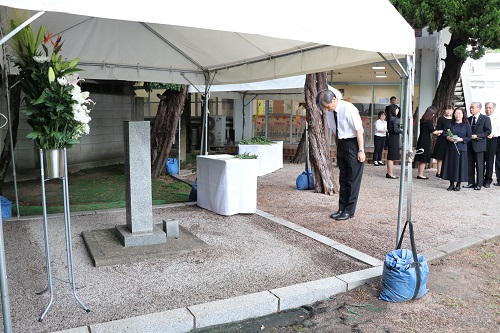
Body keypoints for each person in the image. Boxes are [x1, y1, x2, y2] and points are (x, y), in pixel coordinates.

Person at [316, 89, 365, 221]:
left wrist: (361, 150)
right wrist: (338, 148)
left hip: (353, 143)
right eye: (324, 108)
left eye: (327, 106)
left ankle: (349, 211)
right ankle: (341, 208)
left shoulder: (348, 108)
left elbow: (358, 130)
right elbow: (334, 131)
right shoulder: (329, 112)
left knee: (353, 179)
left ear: (333, 99)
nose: (326, 109)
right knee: (343, 178)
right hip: (341, 143)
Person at [441, 107, 472, 191]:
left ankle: (458, 184)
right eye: (456, 113)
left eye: (459, 113)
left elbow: (469, 137)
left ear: (463, 115)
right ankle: (451, 184)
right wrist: (448, 137)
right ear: (453, 114)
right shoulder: (450, 123)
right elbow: (444, 133)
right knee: (451, 165)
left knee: (460, 166)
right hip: (451, 148)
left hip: (461, 148)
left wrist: (461, 139)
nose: (457, 115)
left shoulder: (466, 125)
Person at [464, 102, 492, 190]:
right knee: (470, 164)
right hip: (469, 145)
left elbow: (488, 131)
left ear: (479, 108)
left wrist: (478, 136)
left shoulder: (485, 118)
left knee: (480, 165)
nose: (471, 109)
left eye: (473, 107)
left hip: (479, 144)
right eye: (470, 107)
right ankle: (470, 182)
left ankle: (479, 183)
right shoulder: (468, 119)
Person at [414, 106, 442, 179]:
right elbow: (433, 131)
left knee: (421, 158)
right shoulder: (428, 121)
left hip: (421, 139)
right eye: (433, 114)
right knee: (423, 158)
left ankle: (419, 173)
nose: (433, 115)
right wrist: (442, 131)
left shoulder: (423, 120)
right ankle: (420, 174)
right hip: (425, 140)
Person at [432, 104, 454, 177]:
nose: (448, 111)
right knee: (440, 157)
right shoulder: (441, 119)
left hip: (450, 139)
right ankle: (438, 172)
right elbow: (438, 129)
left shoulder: (453, 120)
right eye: (447, 109)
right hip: (442, 140)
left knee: (449, 156)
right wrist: (442, 132)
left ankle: (447, 172)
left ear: (452, 111)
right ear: (444, 110)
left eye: (450, 109)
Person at [483, 102, 499, 188]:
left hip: (492, 139)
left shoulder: (496, 118)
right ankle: (480, 178)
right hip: (482, 139)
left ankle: (488, 179)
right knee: (481, 159)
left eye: (490, 108)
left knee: (489, 159)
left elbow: (498, 130)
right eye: (486, 108)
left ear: (494, 108)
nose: (488, 110)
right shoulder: (482, 117)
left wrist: (493, 134)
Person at [385, 104, 401, 179]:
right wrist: (402, 130)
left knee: (390, 156)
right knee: (392, 157)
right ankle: (391, 173)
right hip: (394, 138)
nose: (398, 110)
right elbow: (395, 130)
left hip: (390, 137)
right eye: (397, 109)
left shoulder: (389, 118)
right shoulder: (394, 119)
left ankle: (389, 173)